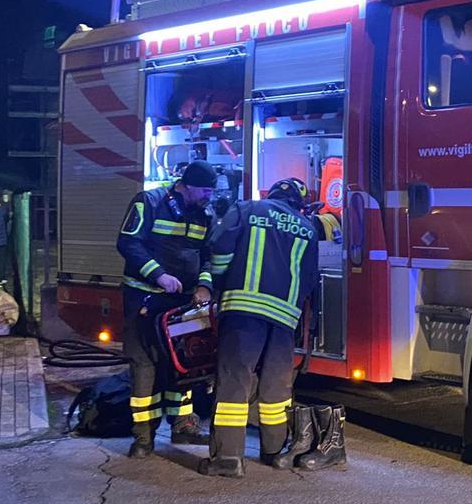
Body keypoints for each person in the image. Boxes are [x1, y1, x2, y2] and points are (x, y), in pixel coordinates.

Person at [205, 177, 335, 478]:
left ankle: (227, 458)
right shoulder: (307, 228)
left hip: (243, 311)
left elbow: (219, 246)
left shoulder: (248, 209)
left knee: (234, 381)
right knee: (276, 387)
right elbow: (308, 278)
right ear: (299, 204)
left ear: (273, 194)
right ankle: (274, 451)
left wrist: (220, 284)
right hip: (283, 318)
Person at [117, 161, 217, 458]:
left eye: (211, 190)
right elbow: (128, 243)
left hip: (183, 302)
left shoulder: (205, 214)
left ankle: (183, 425)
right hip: (144, 299)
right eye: (204, 189)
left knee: (184, 362)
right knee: (144, 364)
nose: (208, 196)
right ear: (185, 185)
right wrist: (158, 275)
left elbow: (208, 256)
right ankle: (143, 438)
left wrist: (204, 286)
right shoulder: (148, 202)